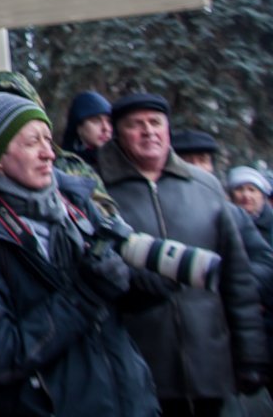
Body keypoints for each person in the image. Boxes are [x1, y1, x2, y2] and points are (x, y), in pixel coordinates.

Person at [0, 92, 159, 416]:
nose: (49, 154)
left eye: (48, 138)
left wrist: (152, 280)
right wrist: (84, 295)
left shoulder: (80, 207)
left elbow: (115, 299)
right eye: (32, 143)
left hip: (131, 401)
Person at [97, 92, 267, 417]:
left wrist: (251, 355)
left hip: (209, 366)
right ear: (118, 133)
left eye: (155, 123)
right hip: (142, 370)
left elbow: (238, 279)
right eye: (136, 125)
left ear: (168, 129)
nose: (148, 131)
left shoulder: (206, 187)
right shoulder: (99, 192)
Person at [60, 90, 113, 167]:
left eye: (109, 121)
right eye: (96, 121)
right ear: (79, 127)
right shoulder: (64, 166)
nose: (106, 128)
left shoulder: (123, 160)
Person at [230, 166, 273, 242]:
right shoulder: (226, 223)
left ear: (262, 196)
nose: (246, 195)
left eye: (252, 190)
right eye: (239, 189)